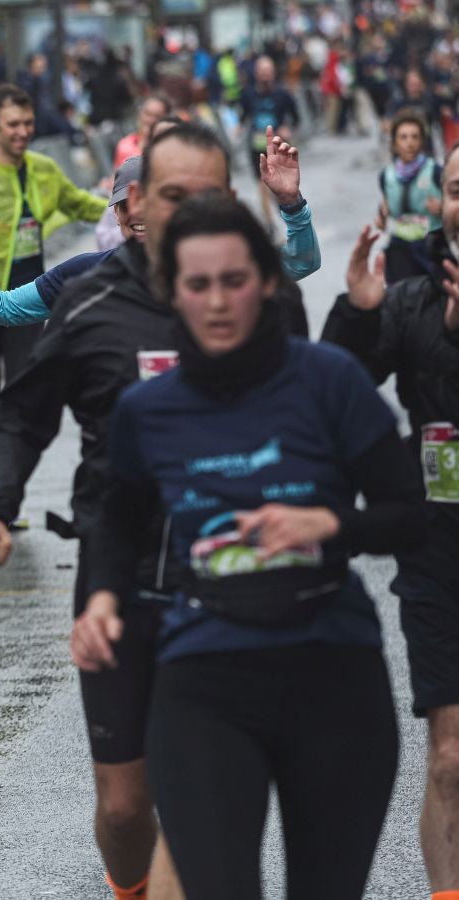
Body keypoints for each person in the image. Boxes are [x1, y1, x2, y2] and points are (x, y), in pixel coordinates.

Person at [0, 123, 311, 900]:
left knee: (198, 789)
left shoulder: (262, 295)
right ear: (138, 203)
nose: (192, 212)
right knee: (124, 806)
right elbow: (21, 417)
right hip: (117, 574)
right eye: (175, 195)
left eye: (209, 196)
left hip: (230, 579)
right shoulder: (89, 297)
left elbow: (308, 419)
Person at [75, 193, 422, 897]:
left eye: (234, 280)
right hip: (205, 677)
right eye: (198, 285)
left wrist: (332, 526)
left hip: (333, 671)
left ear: (265, 281)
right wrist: (104, 597)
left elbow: (410, 515)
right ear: (173, 292)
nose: (218, 302)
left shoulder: (328, 381)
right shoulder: (150, 409)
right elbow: (120, 519)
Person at [324, 145, 459, 900]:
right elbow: (332, 385)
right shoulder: (408, 298)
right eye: (457, 190)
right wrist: (354, 310)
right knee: (448, 757)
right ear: (438, 203)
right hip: (436, 543)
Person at [0, 132, 320, 328]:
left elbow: (301, 262)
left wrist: (291, 204)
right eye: (122, 205)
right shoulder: (84, 274)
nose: (134, 214)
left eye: (147, 202)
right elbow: (1, 308)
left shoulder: (216, 266)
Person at [0, 84, 108, 483]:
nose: (22, 132)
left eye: (27, 123)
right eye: (13, 124)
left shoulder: (44, 170)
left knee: (17, 400)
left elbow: (79, 204)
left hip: (28, 303)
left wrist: (130, 209)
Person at [378, 110, 443, 282]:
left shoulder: (436, 173)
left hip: (433, 249)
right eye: (403, 137)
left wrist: (443, 209)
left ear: (422, 142)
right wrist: (382, 217)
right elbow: (385, 210)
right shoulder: (387, 176)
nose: (410, 143)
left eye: (415, 137)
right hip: (400, 251)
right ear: (394, 144)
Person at [239, 56, 300, 225]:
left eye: (268, 71)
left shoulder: (283, 94)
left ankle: (288, 217)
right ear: (256, 74)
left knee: (279, 187)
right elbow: (243, 115)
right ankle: (270, 225)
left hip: (278, 146)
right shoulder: (248, 94)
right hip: (256, 147)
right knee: (262, 186)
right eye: (261, 72)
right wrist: (239, 126)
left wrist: (288, 129)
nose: (265, 75)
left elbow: (296, 118)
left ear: (273, 73)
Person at [112, 95, 171, 171]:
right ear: (140, 114)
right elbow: (115, 176)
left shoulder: (168, 148)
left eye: (157, 116)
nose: (151, 120)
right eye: (147, 114)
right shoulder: (124, 144)